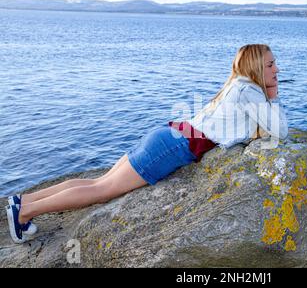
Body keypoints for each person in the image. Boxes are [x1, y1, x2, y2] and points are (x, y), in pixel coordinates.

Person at [5, 44, 289, 244]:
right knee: (102, 190)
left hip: (168, 135)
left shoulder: (238, 84)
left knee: (96, 182)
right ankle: (25, 212)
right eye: (270, 64)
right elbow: (281, 130)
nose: (277, 68)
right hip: (173, 148)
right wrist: (273, 95)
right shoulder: (250, 91)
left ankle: (23, 201)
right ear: (254, 67)